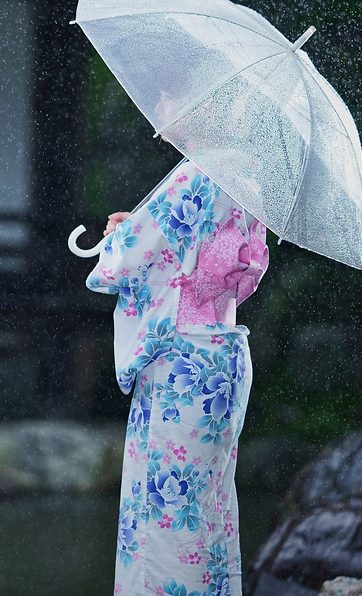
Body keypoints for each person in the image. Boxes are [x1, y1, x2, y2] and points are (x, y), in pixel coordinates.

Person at [86, 159, 269, 595]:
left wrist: (116, 240)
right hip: (223, 357)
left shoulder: (200, 173)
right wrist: (145, 230)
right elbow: (193, 258)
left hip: (183, 368)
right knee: (209, 515)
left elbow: (125, 263)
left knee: (163, 525)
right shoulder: (247, 181)